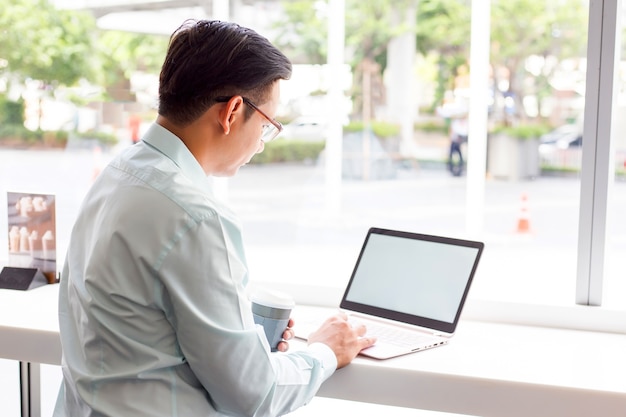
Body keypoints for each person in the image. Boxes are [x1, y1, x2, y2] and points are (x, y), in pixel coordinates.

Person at [54, 19, 375, 417]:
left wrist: (237, 325)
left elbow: (134, 323)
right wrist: (326, 351)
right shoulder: (194, 214)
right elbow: (253, 395)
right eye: (268, 125)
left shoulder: (118, 174)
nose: (261, 142)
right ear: (233, 111)